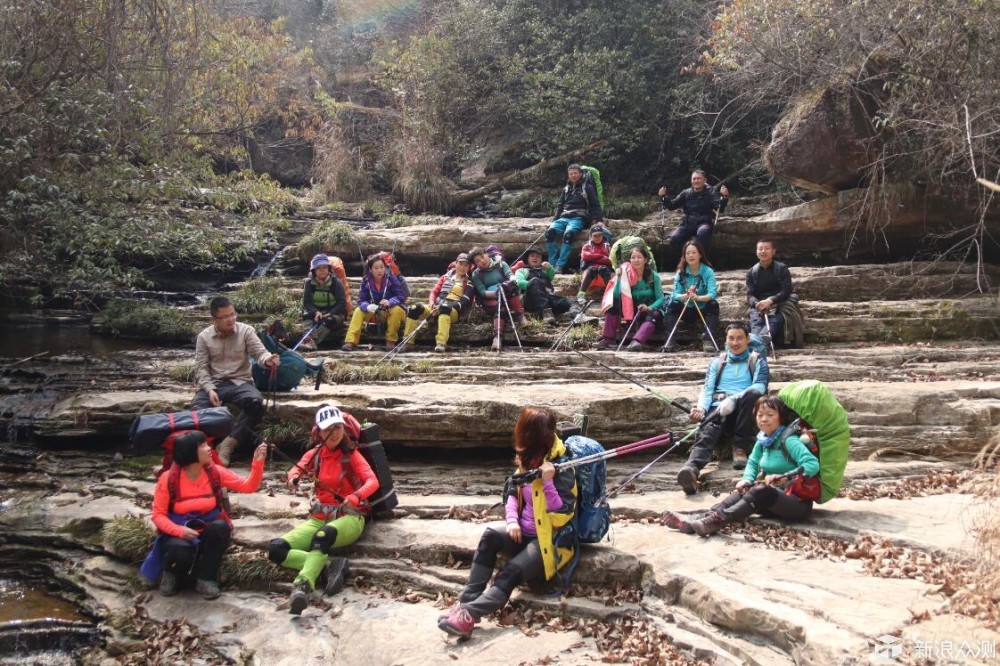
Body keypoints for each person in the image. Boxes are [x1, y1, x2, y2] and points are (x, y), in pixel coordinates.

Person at [437, 407, 577, 638]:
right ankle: (464, 604)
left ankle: (469, 616)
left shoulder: (562, 466)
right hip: (524, 532)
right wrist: (512, 521)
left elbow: (562, 515)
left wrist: (548, 482)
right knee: (490, 534)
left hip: (549, 542)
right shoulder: (527, 459)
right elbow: (513, 492)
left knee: (508, 573)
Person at [268, 405, 379, 615]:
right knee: (276, 549)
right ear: (318, 432)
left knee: (322, 536)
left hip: (350, 518)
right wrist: (293, 478)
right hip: (319, 517)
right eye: (328, 429)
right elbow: (297, 468)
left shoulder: (352, 455)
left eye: (337, 427)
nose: (334, 433)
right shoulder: (315, 454)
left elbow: (371, 481)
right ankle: (329, 565)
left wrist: (355, 497)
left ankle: (302, 586)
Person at [663, 395, 820, 536]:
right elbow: (752, 463)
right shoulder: (763, 440)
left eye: (770, 415)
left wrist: (785, 477)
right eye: (760, 415)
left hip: (796, 503)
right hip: (772, 501)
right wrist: (746, 478)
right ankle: (699, 520)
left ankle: (717, 521)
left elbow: (812, 464)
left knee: (762, 489)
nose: (764, 419)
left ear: (781, 418)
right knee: (746, 489)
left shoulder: (790, 440)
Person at [140, 432, 268, 599]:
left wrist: (257, 462)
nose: (209, 449)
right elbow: (158, 516)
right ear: (190, 452)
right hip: (179, 528)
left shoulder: (213, 472)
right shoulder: (168, 478)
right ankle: (171, 574)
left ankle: (206, 578)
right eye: (203, 446)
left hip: (208, 526)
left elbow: (248, 486)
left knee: (221, 528)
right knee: (180, 549)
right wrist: (179, 531)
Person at [676, 322, 770, 492]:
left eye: (740, 338)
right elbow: (707, 389)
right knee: (708, 431)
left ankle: (740, 448)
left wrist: (734, 399)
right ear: (726, 340)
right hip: (718, 408)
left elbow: (759, 387)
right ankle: (691, 469)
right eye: (731, 338)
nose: (735, 343)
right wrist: (702, 409)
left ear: (748, 339)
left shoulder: (757, 360)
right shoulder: (717, 363)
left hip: (744, 411)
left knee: (753, 396)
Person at [193, 296, 279, 465]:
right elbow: (201, 368)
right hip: (214, 384)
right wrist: (210, 389)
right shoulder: (204, 337)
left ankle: (227, 445)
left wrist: (268, 360)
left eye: (233, 314)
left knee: (255, 403)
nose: (231, 319)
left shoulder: (246, 331)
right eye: (225, 317)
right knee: (196, 410)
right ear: (214, 319)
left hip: (241, 382)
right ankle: (203, 450)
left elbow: (260, 353)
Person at [400, 253, 474, 353]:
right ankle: (408, 342)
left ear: (469, 267)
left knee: (444, 308)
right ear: (456, 264)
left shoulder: (469, 282)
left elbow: (463, 302)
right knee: (414, 308)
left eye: (466, 265)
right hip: (436, 305)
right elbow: (434, 292)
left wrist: (444, 307)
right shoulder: (445, 277)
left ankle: (441, 343)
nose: (463, 267)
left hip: (453, 309)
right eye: (461, 264)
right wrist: (431, 304)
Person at [594, 246, 664, 351]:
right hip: (632, 310)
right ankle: (609, 339)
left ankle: (637, 341)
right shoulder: (626, 275)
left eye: (639, 257)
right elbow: (617, 295)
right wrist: (618, 278)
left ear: (645, 260)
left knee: (655, 313)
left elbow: (661, 298)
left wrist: (649, 307)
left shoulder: (653, 277)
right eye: (633, 257)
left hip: (650, 310)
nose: (636, 260)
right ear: (630, 260)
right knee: (613, 304)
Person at [662, 240, 720, 353]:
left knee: (713, 305)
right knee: (672, 305)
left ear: (700, 254)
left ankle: (708, 340)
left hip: (702, 307)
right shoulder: (681, 273)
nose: (691, 256)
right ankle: (671, 339)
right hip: (686, 307)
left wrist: (698, 298)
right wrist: (684, 296)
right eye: (687, 253)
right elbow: (675, 294)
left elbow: (712, 293)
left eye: (694, 252)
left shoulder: (708, 271)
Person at [658, 170, 729, 264]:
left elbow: (719, 207)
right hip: (688, 223)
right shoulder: (686, 193)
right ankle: (687, 261)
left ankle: (703, 262)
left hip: (704, 222)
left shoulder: (710, 193)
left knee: (703, 233)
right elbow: (672, 206)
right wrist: (663, 197)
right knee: (674, 239)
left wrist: (724, 197)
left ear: (704, 180)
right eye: (694, 179)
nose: (696, 181)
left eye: (699, 178)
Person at [342, 253, 408, 352]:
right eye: (376, 268)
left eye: (382, 267)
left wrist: (389, 302)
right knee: (358, 311)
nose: (380, 270)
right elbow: (361, 300)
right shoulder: (366, 280)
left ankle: (390, 341)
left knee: (396, 310)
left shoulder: (391, 278)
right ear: (370, 269)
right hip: (374, 311)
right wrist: (368, 306)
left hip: (390, 310)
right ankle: (350, 341)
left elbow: (401, 296)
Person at [546, 164, 604, 273]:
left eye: (575, 173)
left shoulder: (588, 187)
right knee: (549, 233)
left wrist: (599, 220)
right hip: (564, 217)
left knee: (568, 235)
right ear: (568, 175)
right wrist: (554, 220)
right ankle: (551, 265)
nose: (573, 175)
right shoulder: (566, 189)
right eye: (571, 173)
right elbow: (560, 206)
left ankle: (559, 266)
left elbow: (595, 204)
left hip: (579, 217)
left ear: (580, 174)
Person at [469, 246, 525, 352]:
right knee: (501, 304)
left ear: (486, 254)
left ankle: (520, 315)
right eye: (478, 261)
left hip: (507, 292)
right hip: (492, 299)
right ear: (475, 264)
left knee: (510, 290)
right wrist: (495, 294)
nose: (482, 261)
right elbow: (482, 292)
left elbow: (509, 275)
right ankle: (497, 337)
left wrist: (512, 281)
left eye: (482, 256)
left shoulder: (501, 264)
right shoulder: (476, 275)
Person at [746, 240, 793, 347]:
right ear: (756, 251)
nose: (763, 251)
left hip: (779, 304)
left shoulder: (782, 269)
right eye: (760, 249)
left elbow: (786, 290)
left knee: (774, 321)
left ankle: (757, 343)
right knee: (756, 322)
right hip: (758, 305)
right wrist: (756, 303)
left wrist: (770, 300)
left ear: (773, 251)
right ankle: (758, 342)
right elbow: (750, 294)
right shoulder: (751, 272)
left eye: (767, 248)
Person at [299, 254, 347, 351]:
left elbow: (342, 303)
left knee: (329, 320)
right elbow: (307, 302)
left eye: (324, 267)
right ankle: (309, 340)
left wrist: (330, 313)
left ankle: (312, 342)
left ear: (329, 269)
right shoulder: (309, 283)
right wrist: (315, 312)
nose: (322, 270)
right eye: (318, 268)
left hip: (334, 313)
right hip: (317, 311)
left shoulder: (336, 282)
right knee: (307, 318)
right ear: (314, 270)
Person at [514, 246, 573, 325]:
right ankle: (546, 313)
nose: (535, 258)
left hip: (547, 298)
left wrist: (549, 268)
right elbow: (520, 283)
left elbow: (551, 275)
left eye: (538, 256)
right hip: (530, 301)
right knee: (535, 281)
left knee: (569, 301)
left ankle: (578, 316)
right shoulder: (522, 270)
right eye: (532, 256)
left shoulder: (544, 271)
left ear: (542, 260)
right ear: (527, 259)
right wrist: (539, 286)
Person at [577, 224, 613, 305]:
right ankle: (581, 294)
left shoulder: (607, 246)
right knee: (592, 269)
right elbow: (585, 256)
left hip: (603, 274)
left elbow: (611, 260)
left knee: (603, 268)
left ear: (603, 235)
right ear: (590, 236)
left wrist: (593, 257)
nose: (597, 237)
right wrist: (601, 256)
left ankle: (610, 295)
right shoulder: (587, 246)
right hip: (590, 274)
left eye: (600, 235)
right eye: (595, 235)